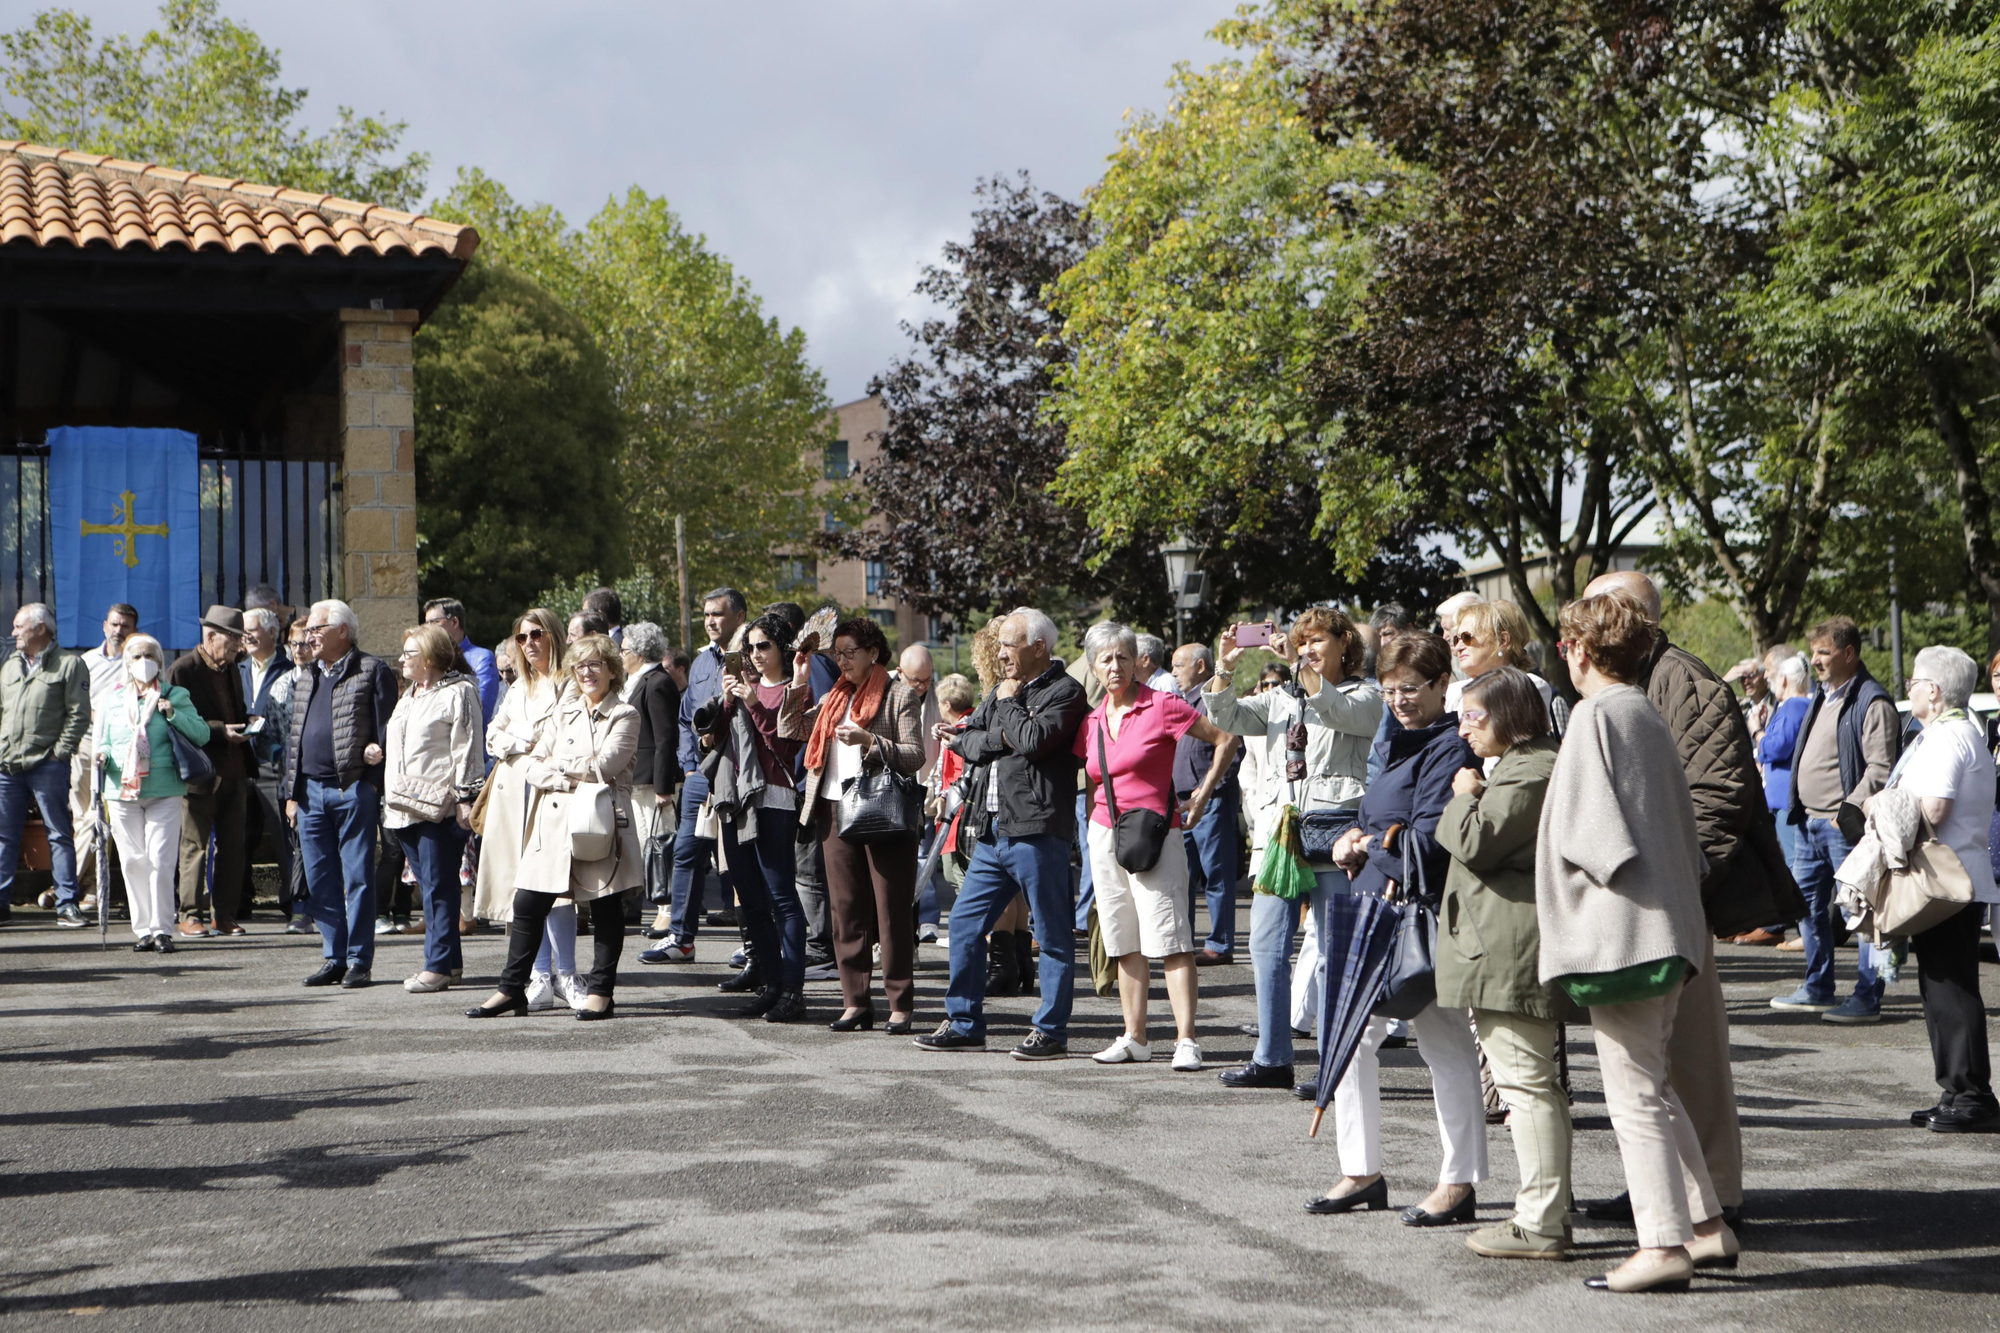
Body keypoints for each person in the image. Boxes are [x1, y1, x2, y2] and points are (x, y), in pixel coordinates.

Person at [1540, 590, 1737, 1293]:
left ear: (1579, 651)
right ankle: (1706, 1225)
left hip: (1622, 933)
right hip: (1668, 927)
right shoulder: (1644, 712)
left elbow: (1593, 835)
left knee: (1634, 1095)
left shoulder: (1595, 715)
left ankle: (1662, 1243)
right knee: (1652, 1083)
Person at [1579, 570, 1784, 1229]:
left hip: (1672, 896)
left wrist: (1680, 878)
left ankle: (1713, 1196)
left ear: (1625, 615)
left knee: (1690, 1053)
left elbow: (1720, 795)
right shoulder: (1636, 680)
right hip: (1654, 892)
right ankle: (1672, 1192)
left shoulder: (1681, 680)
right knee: (1656, 1061)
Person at [1308, 633, 1486, 1223]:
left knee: (1446, 1047)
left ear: (1441, 686)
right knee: (1353, 1038)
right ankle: (1361, 1171)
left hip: (1421, 912)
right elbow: (1380, 818)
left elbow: (1433, 836)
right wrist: (1350, 841)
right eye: (1389, 691)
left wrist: (1371, 845)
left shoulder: (1451, 746)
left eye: (1410, 689)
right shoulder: (1396, 741)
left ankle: (1458, 1182)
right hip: (1376, 906)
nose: (1399, 701)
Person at [1208, 609, 1381, 1090]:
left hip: (1333, 833)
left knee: (1330, 951)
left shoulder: (1365, 695)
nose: (1306, 650)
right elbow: (1229, 718)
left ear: (1344, 643)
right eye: (1300, 642)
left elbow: (1338, 713)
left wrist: (1301, 675)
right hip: (1280, 835)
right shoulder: (1282, 697)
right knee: (1265, 947)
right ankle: (1272, 1058)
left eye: (1316, 641)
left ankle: (1334, 1061)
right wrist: (1225, 669)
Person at [1435, 668, 1575, 1260]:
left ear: (1511, 715)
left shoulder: (1530, 769)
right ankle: (1544, 1215)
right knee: (1531, 1087)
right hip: (1502, 943)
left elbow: (1476, 841)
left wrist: (1464, 796)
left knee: (1527, 1088)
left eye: (1474, 715)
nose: (1463, 728)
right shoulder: (1523, 765)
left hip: (1510, 948)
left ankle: (1540, 1224)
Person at [916, 608, 1089, 1060]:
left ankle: (1050, 1031)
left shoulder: (1067, 690)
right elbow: (966, 741)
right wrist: (1002, 732)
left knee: (1051, 935)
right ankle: (964, 1021)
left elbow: (1034, 741)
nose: (1001, 652)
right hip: (993, 832)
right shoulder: (1000, 691)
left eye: (1009, 644)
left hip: (1038, 829)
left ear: (1038, 647)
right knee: (966, 926)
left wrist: (1009, 709)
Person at [1077, 622, 1234, 1070]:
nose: (1115, 666)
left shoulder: (1161, 704)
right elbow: (1090, 781)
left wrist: (1202, 793)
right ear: (1093, 667)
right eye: (1106, 659)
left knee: (1171, 938)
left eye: (1123, 657)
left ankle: (1187, 1040)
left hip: (1157, 832)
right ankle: (1135, 1037)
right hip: (1106, 833)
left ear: (1137, 662)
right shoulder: (1091, 720)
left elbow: (1224, 739)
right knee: (1123, 938)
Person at [465, 634, 639, 1021]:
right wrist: (561, 775)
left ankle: (601, 993)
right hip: (555, 818)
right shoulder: (566, 712)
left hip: (599, 821)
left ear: (612, 671)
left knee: (605, 906)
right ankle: (511, 990)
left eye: (595, 664)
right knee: (527, 902)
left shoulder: (624, 714)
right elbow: (530, 762)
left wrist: (558, 766)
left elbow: (605, 766)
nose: (587, 672)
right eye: (580, 666)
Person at [781, 617, 926, 1032]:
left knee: (890, 910)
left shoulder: (899, 694)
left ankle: (900, 1003)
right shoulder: (833, 696)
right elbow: (789, 728)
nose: (841, 661)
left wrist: (870, 743)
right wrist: (799, 681)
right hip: (833, 809)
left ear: (873, 653)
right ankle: (856, 1002)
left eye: (849, 652)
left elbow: (915, 755)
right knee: (846, 912)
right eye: (837, 654)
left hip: (884, 811)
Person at [1890, 647, 1998, 1132]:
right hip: (1950, 875)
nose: (1908, 688)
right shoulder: (1956, 732)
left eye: (1913, 681)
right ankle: (1957, 1089)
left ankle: (1972, 1095)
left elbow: (1933, 810)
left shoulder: (1949, 737)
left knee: (1950, 987)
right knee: (1941, 986)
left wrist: (1880, 808)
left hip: (1949, 878)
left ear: (1932, 690)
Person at [1775, 614, 1902, 1023]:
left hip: (1844, 829)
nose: (1815, 661)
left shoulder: (1871, 700)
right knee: (1807, 907)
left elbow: (1881, 769)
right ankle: (1818, 987)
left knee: (1863, 915)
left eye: (1823, 653)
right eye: (1813, 653)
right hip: (1809, 826)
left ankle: (1868, 998)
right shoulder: (1823, 695)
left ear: (1849, 653)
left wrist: (1845, 811)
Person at [285, 600, 398, 989]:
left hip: (352, 789)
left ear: (342, 631)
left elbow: (388, 734)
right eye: (308, 631)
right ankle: (333, 957)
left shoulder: (372, 670)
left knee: (357, 877)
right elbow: (295, 737)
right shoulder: (306, 675)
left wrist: (371, 781)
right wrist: (292, 793)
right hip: (311, 793)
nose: (308, 637)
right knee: (320, 879)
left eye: (316, 629)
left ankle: (358, 960)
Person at [475, 608, 579, 1009]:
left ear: (553, 636)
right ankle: (538, 977)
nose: (529, 643)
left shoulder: (567, 684)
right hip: (512, 793)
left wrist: (515, 743)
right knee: (523, 889)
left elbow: (552, 739)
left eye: (536, 634)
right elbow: (493, 735)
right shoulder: (519, 687)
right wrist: (521, 744)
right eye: (521, 637)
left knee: (556, 887)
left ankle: (566, 973)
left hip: (548, 793)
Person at [708, 612, 808, 1022]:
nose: (755, 654)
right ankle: (769, 984)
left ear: (782, 648)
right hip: (736, 800)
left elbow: (786, 745)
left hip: (775, 800)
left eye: (763, 645)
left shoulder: (795, 687)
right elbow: (717, 739)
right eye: (749, 647)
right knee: (749, 900)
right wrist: (729, 700)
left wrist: (753, 702)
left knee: (782, 897)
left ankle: (792, 988)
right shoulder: (743, 686)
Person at [383, 625, 484, 994]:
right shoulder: (409, 696)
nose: (402, 660)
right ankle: (451, 963)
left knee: (440, 886)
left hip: (438, 806)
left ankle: (437, 966)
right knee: (430, 887)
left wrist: (465, 799)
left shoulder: (459, 693)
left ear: (428, 658)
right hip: (402, 806)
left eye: (409, 654)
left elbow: (469, 749)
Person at [95, 634, 208, 952]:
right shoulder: (112, 697)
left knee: (160, 859)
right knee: (133, 861)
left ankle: (162, 930)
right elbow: (103, 737)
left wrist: (172, 713)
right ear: (126, 663)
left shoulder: (175, 694)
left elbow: (199, 733)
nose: (143, 661)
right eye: (136, 656)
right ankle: (142, 929)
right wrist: (101, 754)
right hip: (121, 790)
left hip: (164, 789)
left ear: (159, 662)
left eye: (149, 655)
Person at [0, 603, 91, 927]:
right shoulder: (10, 666)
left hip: (47, 766)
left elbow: (79, 714)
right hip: (8, 765)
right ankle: (1, 905)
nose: (13, 633)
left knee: (58, 834)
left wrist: (60, 753)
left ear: (41, 629)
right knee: (4, 836)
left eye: (18, 626)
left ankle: (67, 903)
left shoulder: (69, 664)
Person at [167, 606, 253, 937]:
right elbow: (178, 723)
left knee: (233, 846)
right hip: (201, 773)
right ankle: (189, 913)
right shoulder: (183, 670)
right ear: (210, 636)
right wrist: (220, 731)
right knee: (195, 845)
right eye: (231, 641)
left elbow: (235, 709)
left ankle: (225, 915)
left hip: (235, 769)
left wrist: (249, 722)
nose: (236, 648)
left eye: (238, 641)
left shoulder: (230, 668)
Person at [668, 589, 745, 956]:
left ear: (740, 617)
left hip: (738, 774)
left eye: (718, 613)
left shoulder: (753, 658)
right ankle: (681, 939)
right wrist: (689, 766)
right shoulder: (700, 664)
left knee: (739, 858)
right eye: (706, 615)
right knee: (686, 852)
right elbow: (686, 717)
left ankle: (753, 945)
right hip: (700, 775)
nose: (711, 621)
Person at [1171, 643, 1242, 966]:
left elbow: (1231, 751)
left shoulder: (1215, 698)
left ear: (1200, 666)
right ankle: (1183, 939)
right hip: (1181, 800)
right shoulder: (1180, 702)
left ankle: (1220, 943)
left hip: (1210, 798)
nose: (1173, 672)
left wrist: (1206, 791)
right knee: (1182, 875)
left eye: (1178, 665)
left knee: (1216, 874)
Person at [1739, 653, 1812, 947]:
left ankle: (1803, 933)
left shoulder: (1794, 705)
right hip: (1783, 799)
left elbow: (1776, 747)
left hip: (1785, 800)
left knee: (1795, 866)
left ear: (1783, 680)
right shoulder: (1796, 706)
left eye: (1772, 677)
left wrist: (1757, 729)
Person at [618, 623, 682, 950]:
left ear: (640, 653)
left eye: (625, 650)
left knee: (662, 844)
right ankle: (661, 908)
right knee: (648, 844)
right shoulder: (639, 681)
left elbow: (666, 739)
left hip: (654, 782)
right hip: (638, 779)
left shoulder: (657, 682)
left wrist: (663, 786)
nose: (621, 654)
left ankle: (669, 910)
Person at [69, 602, 135, 912]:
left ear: (133, 630)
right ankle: (89, 889)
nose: (118, 630)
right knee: (84, 817)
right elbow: (74, 702)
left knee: (104, 818)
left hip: (120, 749)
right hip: (85, 744)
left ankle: (65, 887)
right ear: (104, 626)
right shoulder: (86, 661)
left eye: (125, 625)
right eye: (114, 624)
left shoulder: (137, 660)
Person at [238, 605, 295, 922]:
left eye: (253, 629)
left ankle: (291, 902)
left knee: (283, 836)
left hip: (273, 765)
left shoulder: (289, 669)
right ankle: (240, 902)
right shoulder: (240, 668)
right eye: (243, 630)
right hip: (242, 761)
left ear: (272, 632)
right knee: (241, 836)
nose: (246, 636)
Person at [1445, 598, 1568, 734]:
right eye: (1456, 640)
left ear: (1503, 640)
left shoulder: (1529, 686)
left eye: (1467, 637)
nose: (1458, 647)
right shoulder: (1453, 693)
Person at [424, 598, 502, 746]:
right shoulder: (428, 661)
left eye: (434, 622)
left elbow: (480, 712)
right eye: (426, 623)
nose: (428, 629)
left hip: (469, 748)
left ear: (454, 622)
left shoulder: (482, 658)